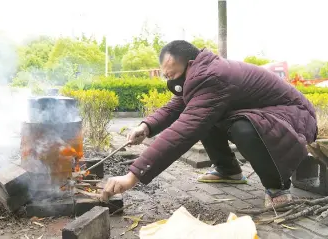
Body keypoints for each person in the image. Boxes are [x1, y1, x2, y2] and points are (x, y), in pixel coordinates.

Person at [101, 40, 318, 208]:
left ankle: (278, 188)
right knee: (205, 116)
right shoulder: (200, 74)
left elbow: (183, 130)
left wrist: (132, 176)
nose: (171, 80)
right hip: (268, 113)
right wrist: (145, 127)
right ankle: (228, 170)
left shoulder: (212, 76)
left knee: (240, 128)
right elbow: (175, 106)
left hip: (294, 116)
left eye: (174, 74)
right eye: (167, 76)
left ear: (190, 64)